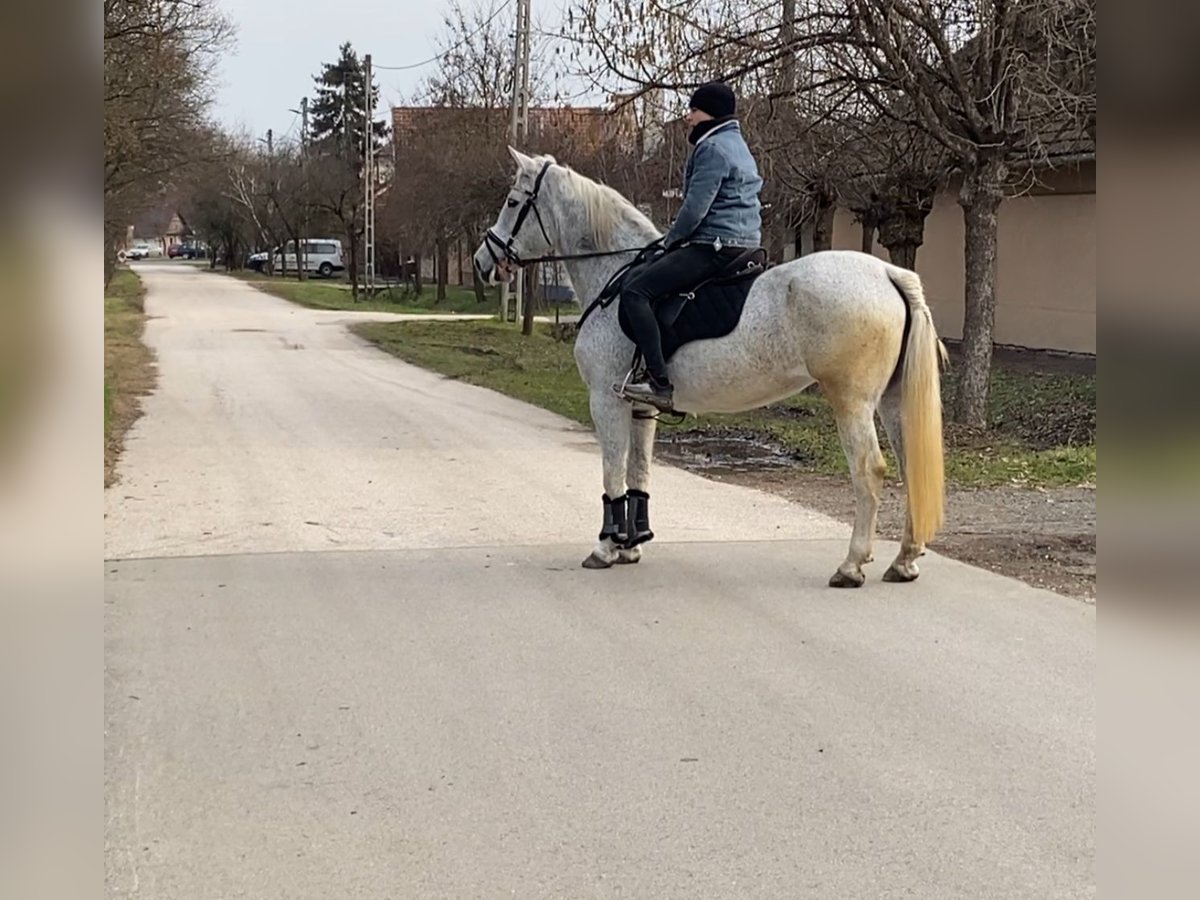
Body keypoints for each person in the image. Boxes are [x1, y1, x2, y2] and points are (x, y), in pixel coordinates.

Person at [618, 80, 764, 410]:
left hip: (714, 246)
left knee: (636, 292)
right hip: (746, 245)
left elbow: (695, 209)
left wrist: (670, 241)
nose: (688, 117)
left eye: (694, 110)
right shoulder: (737, 144)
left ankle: (658, 383)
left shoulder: (712, 148)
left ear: (709, 113)